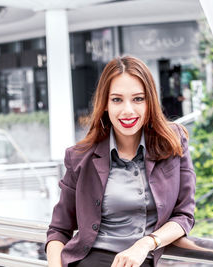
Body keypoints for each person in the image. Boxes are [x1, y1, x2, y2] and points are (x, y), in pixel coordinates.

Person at [45, 56, 196, 267]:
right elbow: (59, 230)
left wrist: (146, 244)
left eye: (138, 99)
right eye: (117, 99)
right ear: (105, 104)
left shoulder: (173, 142)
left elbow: (184, 215)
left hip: (141, 259)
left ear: (150, 102)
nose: (128, 110)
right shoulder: (80, 156)